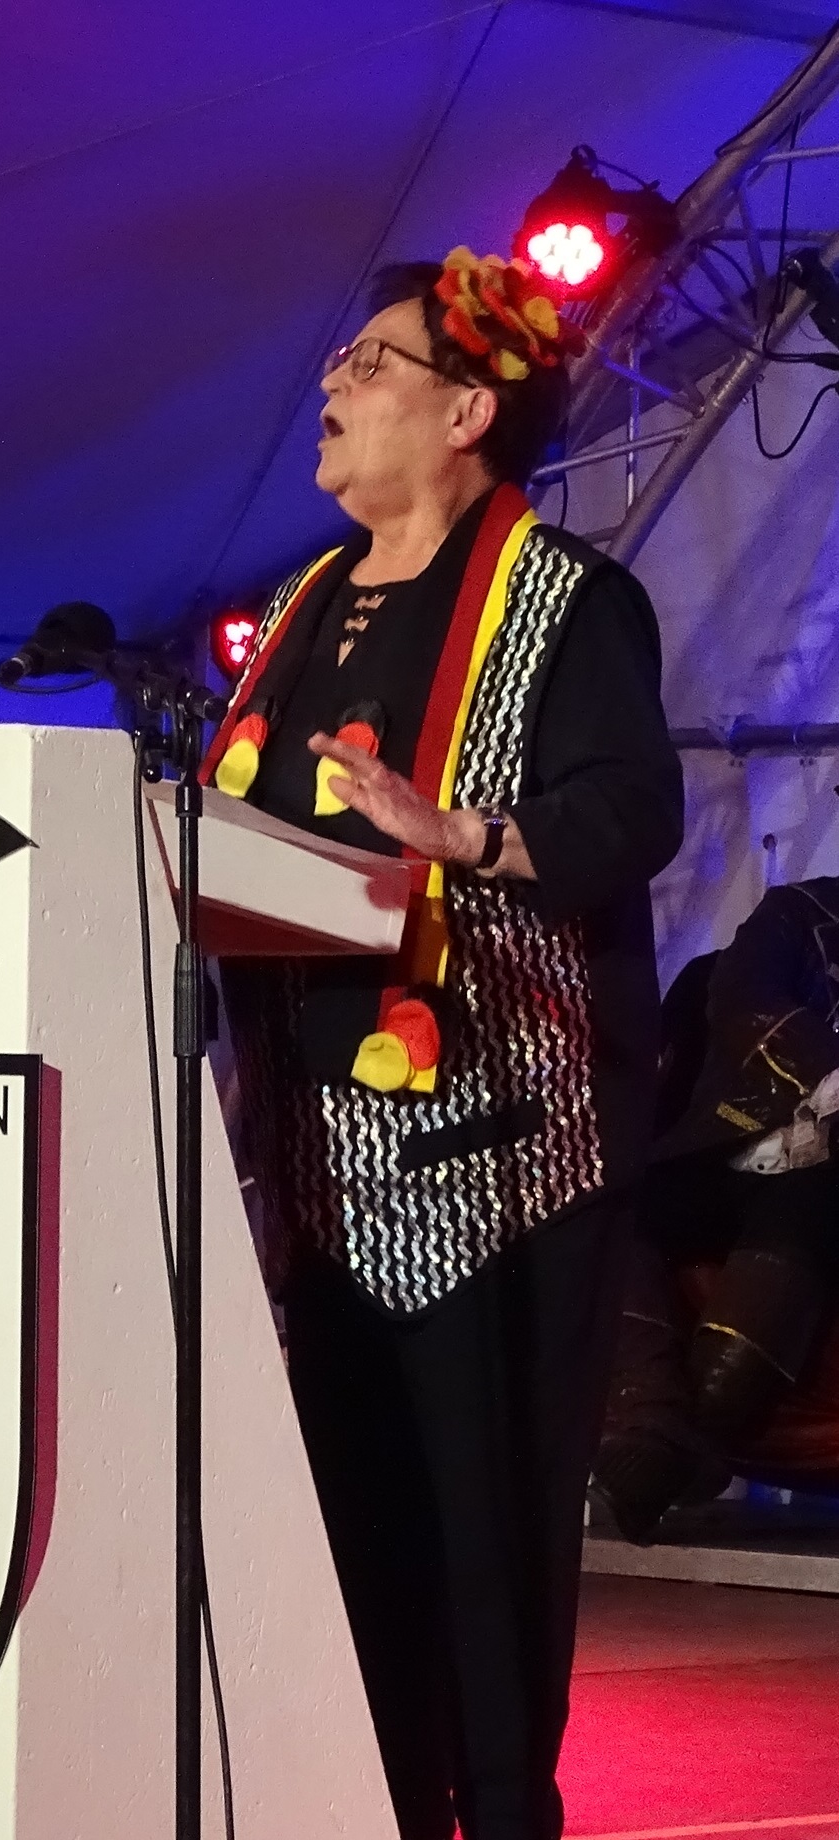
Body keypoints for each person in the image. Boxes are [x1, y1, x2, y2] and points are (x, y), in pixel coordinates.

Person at [208, 249, 684, 1840]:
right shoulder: (300, 607)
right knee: (350, 1529)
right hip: (322, 1167)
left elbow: (631, 813)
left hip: (502, 1158)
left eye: (370, 364)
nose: (330, 386)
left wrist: (462, 835)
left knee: (484, 1539)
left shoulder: (570, 603)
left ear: (469, 408)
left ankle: (500, 1812)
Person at [595, 874, 839, 1543]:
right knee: (616, 1206)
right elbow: (742, 996)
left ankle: (673, 1446)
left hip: (821, 1185)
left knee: (805, 1209)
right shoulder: (802, 912)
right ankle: (649, 1422)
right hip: (736, 1142)